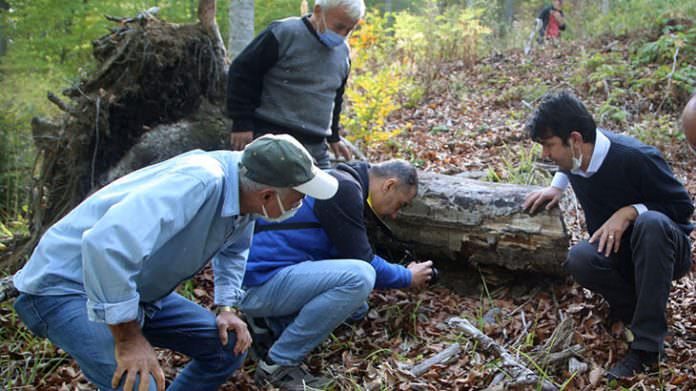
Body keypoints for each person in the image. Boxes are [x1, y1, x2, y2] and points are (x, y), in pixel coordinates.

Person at [12, 134, 339, 391]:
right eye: (299, 196)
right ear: (268, 195)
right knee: (140, 384)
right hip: (68, 287)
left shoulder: (245, 188)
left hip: (135, 288)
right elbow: (105, 245)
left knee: (228, 348)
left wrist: (227, 306)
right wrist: (128, 339)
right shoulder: (199, 183)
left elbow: (235, 250)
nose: (302, 203)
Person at [522, 91, 693, 380]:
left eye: (549, 146)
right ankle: (635, 308)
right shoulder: (577, 157)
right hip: (619, 255)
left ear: (575, 139)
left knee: (650, 223)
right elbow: (571, 168)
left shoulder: (635, 157)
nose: (545, 154)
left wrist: (630, 212)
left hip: (663, 250)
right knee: (579, 258)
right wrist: (556, 186)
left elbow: (682, 208)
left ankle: (647, 349)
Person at [237, 159, 433, 389]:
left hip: (263, 278)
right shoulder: (345, 189)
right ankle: (277, 364)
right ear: (389, 185)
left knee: (356, 306)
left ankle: (267, 325)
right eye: (400, 204)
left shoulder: (344, 181)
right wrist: (407, 277)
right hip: (257, 284)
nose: (395, 215)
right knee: (360, 278)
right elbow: (363, 261)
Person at [226, 0, 366, 169]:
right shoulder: (285, 33)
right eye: (338, 27)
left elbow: (335, 97)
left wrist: (333, 136)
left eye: (349, 30)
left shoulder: (343, 53)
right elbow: (243, 72)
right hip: (272, 139)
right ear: (318, 11)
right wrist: (242, 122)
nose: (342, 35)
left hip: (316, 147)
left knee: (327, 192)